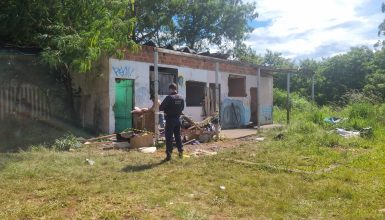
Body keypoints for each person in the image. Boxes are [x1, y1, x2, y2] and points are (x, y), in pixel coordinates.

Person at [159, 83, 185, 161]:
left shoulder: (169, 98)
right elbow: (182, 108)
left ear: (170, 89)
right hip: (178, 119)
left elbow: (161, 107)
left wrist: (167, 109)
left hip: (170, 120)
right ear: (176, 89)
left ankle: (169, 155)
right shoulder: (181, 98)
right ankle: (180, 152)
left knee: (169, 137)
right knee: (178, 137)